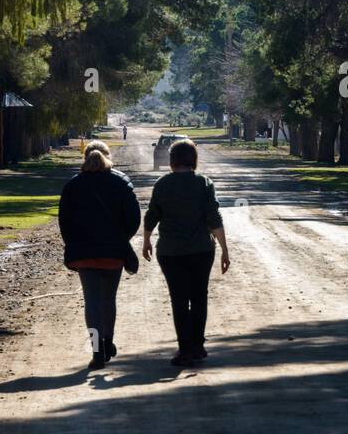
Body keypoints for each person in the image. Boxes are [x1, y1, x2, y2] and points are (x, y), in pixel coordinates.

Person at [143, 139, 230, 367]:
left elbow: (152, 215)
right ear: (194, 159)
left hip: (171, 252)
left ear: (172, 161)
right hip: (202, 249)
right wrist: (224, 250)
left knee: (179, 299)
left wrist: (146, 241)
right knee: (199, 296)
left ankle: (184, 348)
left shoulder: (162, 184)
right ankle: (198, 345)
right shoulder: (204, 183)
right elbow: (214, 219)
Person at [58, 141, 141, 369]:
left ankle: (96, 351)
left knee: (91, 302)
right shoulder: (121, 182)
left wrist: (73, 244)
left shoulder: (73, 185)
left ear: (85, 157)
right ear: (108, 156)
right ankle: (108, 342)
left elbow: (64, 221)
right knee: (108, 299)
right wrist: (122, 238)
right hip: (113, 253)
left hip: (84, 254)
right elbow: (134, 218)